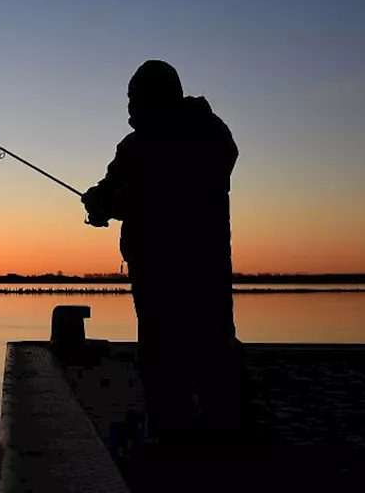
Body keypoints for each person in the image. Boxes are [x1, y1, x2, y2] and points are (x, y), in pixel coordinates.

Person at [81, 60, 244, 444]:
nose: (129, 108)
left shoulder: (207, 135)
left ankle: (220, 440)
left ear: (157, 97)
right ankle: (176, 437)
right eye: (128, 100)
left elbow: (172, 196)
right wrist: (99, 200)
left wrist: (114, 206)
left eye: (134, 99)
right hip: (151, 271)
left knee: (209, 354)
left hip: (199, 270)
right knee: (160, 358)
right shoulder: (133, 146)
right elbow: (114, 185)